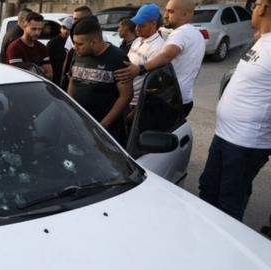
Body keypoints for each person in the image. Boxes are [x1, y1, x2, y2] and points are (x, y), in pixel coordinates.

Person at [198, 0, 271, 221]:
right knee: (208, 189)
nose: (252, 9)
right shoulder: (261, 41)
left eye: (255, 4)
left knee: (229, 202)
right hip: (225, 135)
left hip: (246, 144)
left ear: (265, 8)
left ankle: (225, 251)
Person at [115, 0, 205, 118]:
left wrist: (140, 68)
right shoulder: (196, 34)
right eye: (166, 11)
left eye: (170, 12)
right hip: (183, 98)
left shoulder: (180, 34)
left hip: (171, 100)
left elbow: (166, 56)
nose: (165, 16)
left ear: (185, 15)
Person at [67, 18, 133, 145]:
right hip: (78, 124)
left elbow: (126, 96)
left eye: (79, 44)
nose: (75, 47)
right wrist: (69, 108)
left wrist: (104, 124)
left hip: (105, 132)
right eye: (74, 43)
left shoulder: (117, 58)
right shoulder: (77, 54)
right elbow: (72, 81)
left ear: (93, 42)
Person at [126, 4, 165, 121]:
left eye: (142, 25)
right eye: (136, 24)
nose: (137, 28)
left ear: (153, 24)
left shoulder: (158, 47)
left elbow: (152, 86)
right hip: (126, 99)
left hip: (137, 104)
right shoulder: (137, 40)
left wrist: (136, 110)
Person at [6, 12, 53, 79]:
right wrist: (40, 69)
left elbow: (50, 74)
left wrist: (32, 69)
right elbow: (18, 76)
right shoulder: (15, 47)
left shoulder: (42, 47)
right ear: (25, 27)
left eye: (40, 29)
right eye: (33, 29)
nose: (37, 33)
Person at [47, 16, 72, 85]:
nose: (66, 31)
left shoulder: (73, 43)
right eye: (64, 28)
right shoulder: (52, 43)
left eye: (69, 29)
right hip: (54, 79)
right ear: (60, 28)